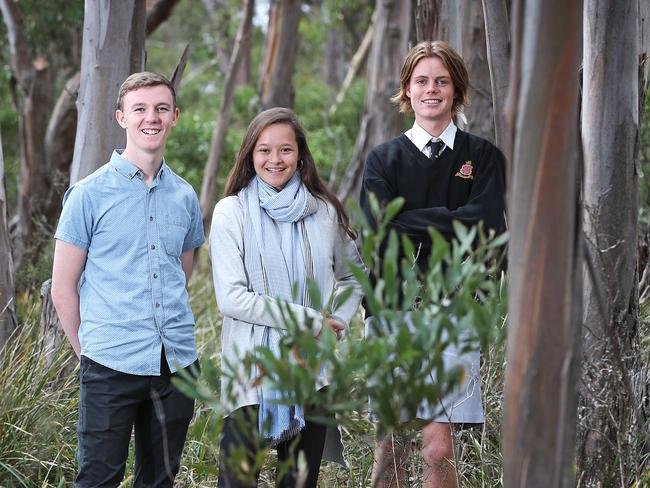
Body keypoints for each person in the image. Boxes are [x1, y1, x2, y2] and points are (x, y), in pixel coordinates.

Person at [360, 41, 506, 488]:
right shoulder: (383, 160)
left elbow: (483, 224)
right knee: (392, 445)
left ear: (457, 89)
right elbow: (381, 230)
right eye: (421, 81)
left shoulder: (482, 157)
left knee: (438, 447)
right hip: (392, 309)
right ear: (407, 90)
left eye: (441, 81)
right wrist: (451, 219)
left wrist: (413, 221)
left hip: (455, 309)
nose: (431, 89)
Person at [51, 72, 204, 487]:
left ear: (175, 116)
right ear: (121, 117)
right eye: (139, 109)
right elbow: (63, 287)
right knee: (99, 479)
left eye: (160, 108)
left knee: (159, 481)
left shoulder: (185, 196)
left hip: (176, 364)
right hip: (109, 363)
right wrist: (89, 353)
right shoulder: (88, 194)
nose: (150, 118)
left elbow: (181, 273)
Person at [209, 107, 365, 487]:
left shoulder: (324, 213)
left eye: (285, 150)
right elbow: (231, 299)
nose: (274, 160)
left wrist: (338, 324)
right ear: (250, 155)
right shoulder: (231, 212)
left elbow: (353, 277)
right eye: (264, 150)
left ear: (300, 155)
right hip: (250, 373)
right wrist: (309, 320)